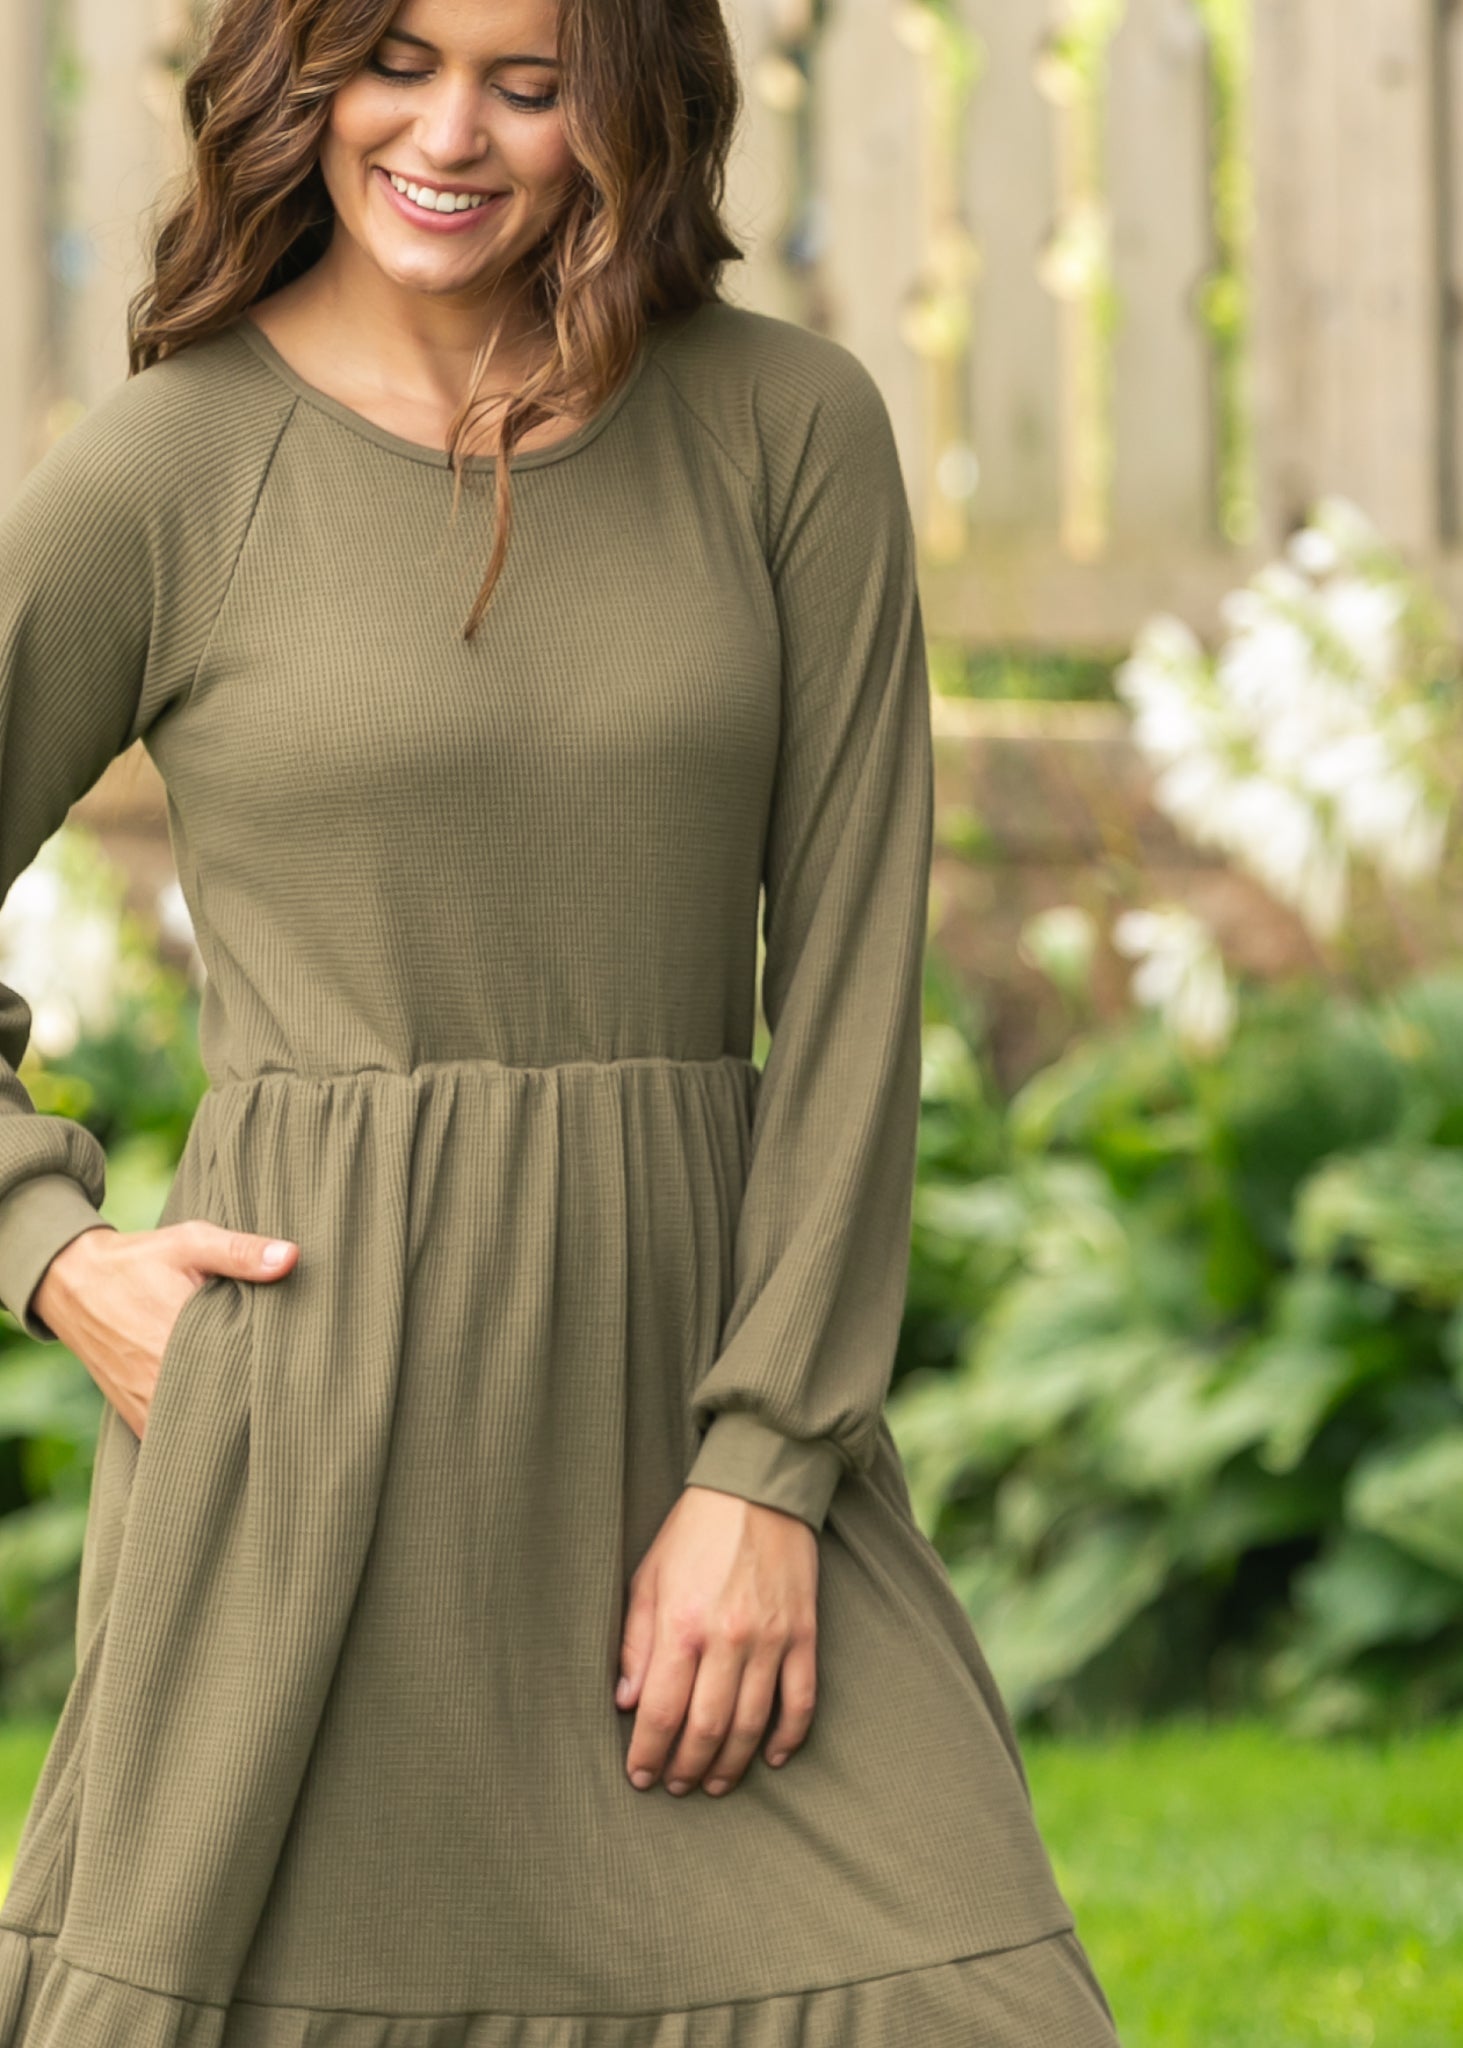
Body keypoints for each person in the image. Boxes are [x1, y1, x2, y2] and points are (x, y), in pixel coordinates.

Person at [0, 0, 1124, 2041]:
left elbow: (852, 981)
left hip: (692, 1388)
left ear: (630, 109)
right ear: (302, 75)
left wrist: (767, 1470)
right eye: (397, 61)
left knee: (975, 2001)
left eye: (529, 86)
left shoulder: (787, 426)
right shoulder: (171, 466)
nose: (452, 135)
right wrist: (50, 1251)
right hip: (318, 1432)